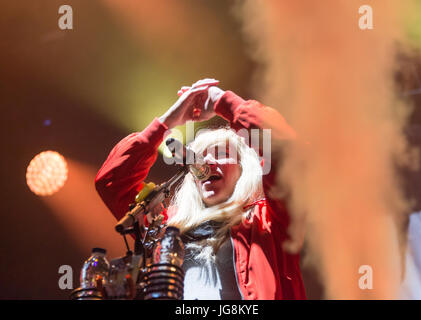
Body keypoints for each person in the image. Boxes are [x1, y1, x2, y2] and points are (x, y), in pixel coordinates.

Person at [95, 79, 306, 300]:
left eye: (221, 153)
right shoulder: (165, 226)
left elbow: (287, 153)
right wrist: (166, 124)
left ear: (243, 168)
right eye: (201, 156)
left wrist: (220, 100)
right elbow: (112, 183)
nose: (207, 162)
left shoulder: (268, 221)